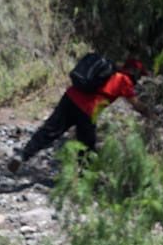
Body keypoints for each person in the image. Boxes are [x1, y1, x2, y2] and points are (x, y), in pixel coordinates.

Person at [8, 58, 151, 173]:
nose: (138, 78)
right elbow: (136, 104)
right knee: (87, 146)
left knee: (49, 131)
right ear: (133, 71)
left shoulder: (109, 69)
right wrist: (151, 114)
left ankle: (23, 155)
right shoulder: (124, 81)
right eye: (139, 74)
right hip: (88, 110)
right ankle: (85, 181)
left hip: (70, 97)